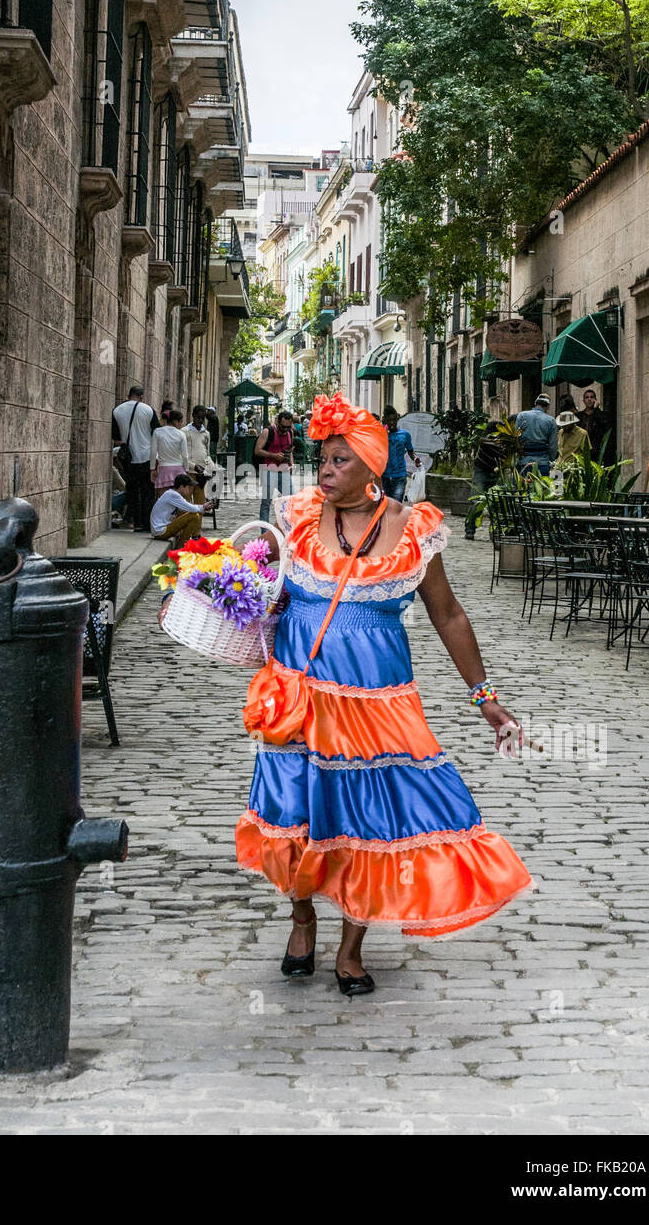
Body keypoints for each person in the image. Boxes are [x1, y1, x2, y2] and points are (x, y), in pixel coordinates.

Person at [226, 392, 530, 994]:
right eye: (324, 459)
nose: (326, 470)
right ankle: (302, 918)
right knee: (297, 812)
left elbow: (447, 616)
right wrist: (222, 588)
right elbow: (259, 591)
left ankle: (352, 945)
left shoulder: (412, 529)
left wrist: (485, 699)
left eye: (340, 460)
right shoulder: (298, 519)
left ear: (371, 468)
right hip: (301, 698)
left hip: (378, 706)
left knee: (368, 820)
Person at [112, 384, 158, 533]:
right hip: (146, 456)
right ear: (141, 397)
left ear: (128, 395)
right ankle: (146, 523)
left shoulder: (117, 411)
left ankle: (135, 521)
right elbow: (156, 432)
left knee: (132, 489)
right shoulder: (148, 410)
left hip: (128, 457)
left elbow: (116, 437)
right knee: (147, 491)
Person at [464, 419, 505, 540]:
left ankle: (496, 531)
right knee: (476, 501)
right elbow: (483, 441)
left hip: (496, 472)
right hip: (482, 471)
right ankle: (470, 529)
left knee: (497, 504)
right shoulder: (486, 440)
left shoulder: (504, 443)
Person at [255, 409, 295, 523]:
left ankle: (286, 528)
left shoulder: (290, 433)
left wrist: (292, 463)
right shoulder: (268, 432)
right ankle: (264, 532)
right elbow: (257, 450)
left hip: (284, 470)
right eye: (283, 427)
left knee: (290, 500)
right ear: (277, 422)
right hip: (269, 470)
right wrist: (274, 456)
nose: (285, 430)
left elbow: (290, 450)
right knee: (266, 503)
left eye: (288, 427)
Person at [150, 474, 207, 549]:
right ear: (181, 486)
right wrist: (203, 507)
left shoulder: (172, 493)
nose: (190, 490)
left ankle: (188, 541)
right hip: (161, 531)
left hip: (162, 529)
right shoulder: (173, 495)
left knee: (189, 514)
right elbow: (190, 508)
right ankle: (181, 546)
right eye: (188, 487)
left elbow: (187, 507)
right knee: (194, 516)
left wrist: (203, 507)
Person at [381, 404, 420, 501]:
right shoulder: (381, 434)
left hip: (400, 475)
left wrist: (415, 458)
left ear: (397, 419)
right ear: (385, 420)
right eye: (389, 420)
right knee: (386, 504)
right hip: (385, 476)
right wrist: (383, 430)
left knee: (397, 503)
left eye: (394, 420)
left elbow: (411, 451)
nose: (392, 423)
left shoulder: (405, 434)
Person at [514, 393, 557, 476]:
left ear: (535, 403)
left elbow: (515, 438)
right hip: (542, 463)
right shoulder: (551, 420)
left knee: (520, 487)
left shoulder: (521, 415)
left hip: (523, 462)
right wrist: (551, 458)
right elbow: (553, 446)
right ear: (548, 406)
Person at [150, 407, 189, 492]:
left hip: (164, 469)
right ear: (175, 421)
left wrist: (152, 468)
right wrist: (186, 470)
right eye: (181, 422)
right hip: (178, 469)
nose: (181, 425)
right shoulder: (181, 434)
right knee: (178, 500)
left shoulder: (157, 432)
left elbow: (153, 452)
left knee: (163, 498)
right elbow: (185, 456)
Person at [183, 405, 214, 505]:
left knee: (200, 504)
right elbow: (181, 454)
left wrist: (211, 466)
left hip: (202, 474)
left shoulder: (206, 433)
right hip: (189, 471)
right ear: (193, 416)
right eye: (198, 417)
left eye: (202, 418)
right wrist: (193, 466)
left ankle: (198, 521)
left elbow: (207, 454)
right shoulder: (184, 432)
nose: (200, 420)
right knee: (185, 503)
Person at [578, 388, 613, 462]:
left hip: (596, 450)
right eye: (587, 397)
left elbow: (603, 423)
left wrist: (597, 409)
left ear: (595, 400)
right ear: (583, 400)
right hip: (582, 449)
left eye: (592, 397)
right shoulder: (579, 416)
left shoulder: (600, 414)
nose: (589, 399)